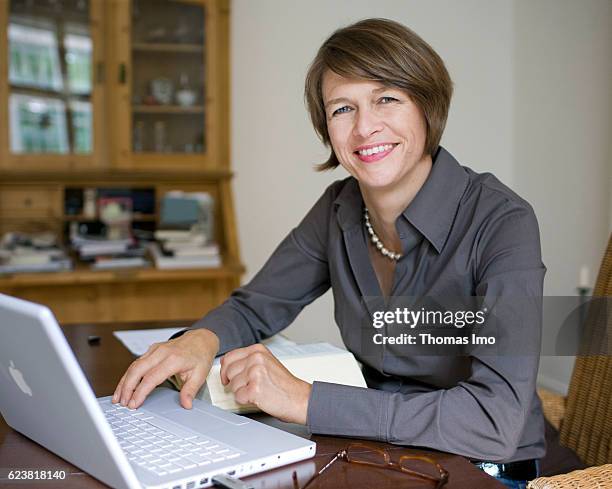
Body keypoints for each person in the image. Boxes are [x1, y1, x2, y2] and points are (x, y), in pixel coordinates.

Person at [113, 18, 545, 488]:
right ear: (327, 127)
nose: (364, 128)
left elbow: (493, 418)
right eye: (342, 109)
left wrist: (305, 400)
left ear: (427, 106)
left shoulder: (504, 223)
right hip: (374, 453)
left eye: (387, 99)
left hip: (480, 468)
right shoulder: (339, 208)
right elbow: (258, 305)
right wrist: (202, 339)